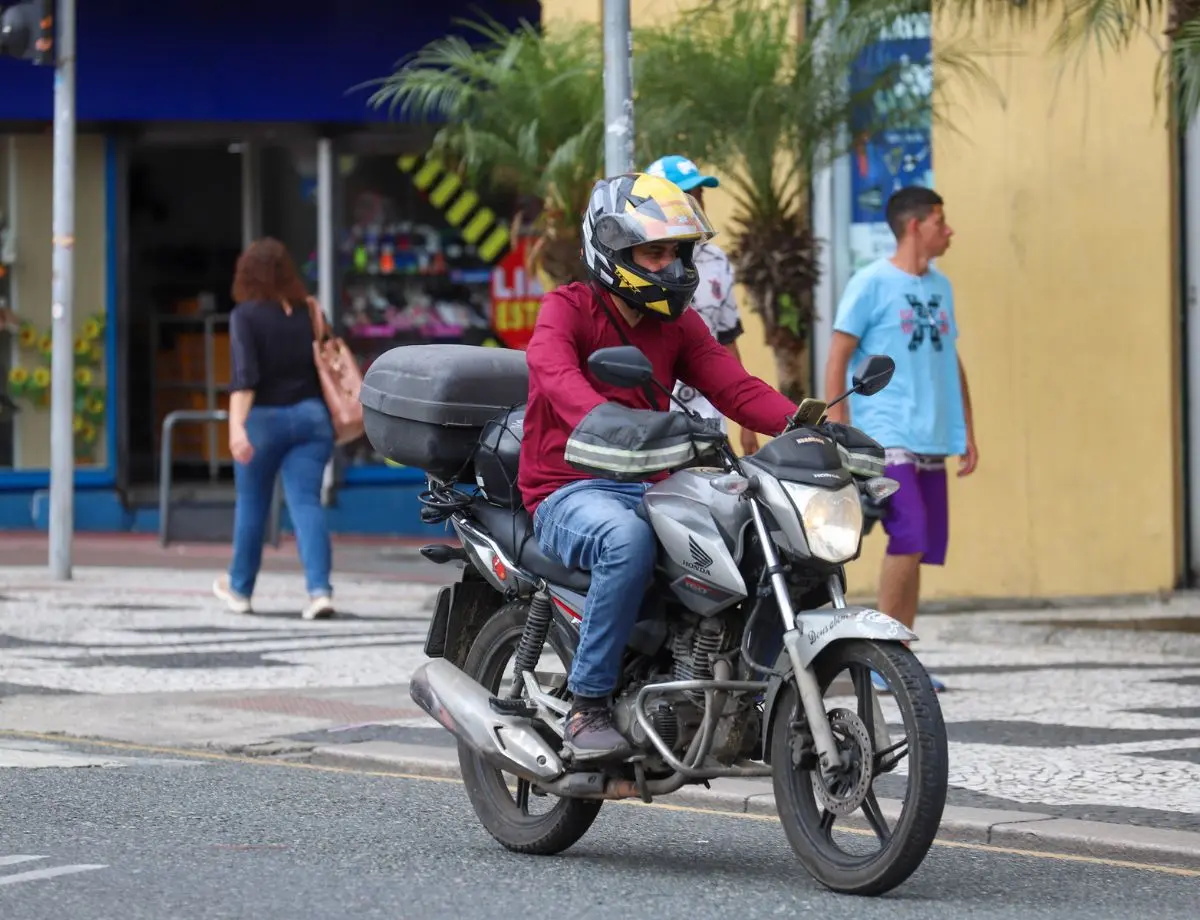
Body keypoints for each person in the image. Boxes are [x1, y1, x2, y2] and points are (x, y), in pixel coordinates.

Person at [519, 172, 799, 760]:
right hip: (567, 489)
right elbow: (556, 376)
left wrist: (810, 425)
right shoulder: (566, 309)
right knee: (625, 539)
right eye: (655, 252)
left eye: (677, 252)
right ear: (615, 252)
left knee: (760, 535)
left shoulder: (679, 323)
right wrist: (605, 420)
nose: (671, 266)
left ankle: (742, 690)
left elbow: (738, 389)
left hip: (653, 484)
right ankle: (587, 704)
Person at [822, 187, 978, 693]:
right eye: (941, 220)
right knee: (907, 535)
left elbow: (949, 358)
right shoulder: (870, 283)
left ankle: (902, 656)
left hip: (933, 432)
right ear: (915, 225)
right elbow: (838, 355)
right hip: (887, 435)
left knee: (924, 545)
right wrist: (839, 426)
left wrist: (968, 430)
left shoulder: (942, 287)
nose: (948, 230)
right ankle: (882, 658)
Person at [212, 237, 337, 620]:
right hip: (313, 418)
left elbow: (244, 379)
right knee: (306, 503)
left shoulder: (245, 316)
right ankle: (319, 592)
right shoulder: (309, 310)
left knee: (252, 504)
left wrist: (236, 428)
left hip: (263, 420)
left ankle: (240, 589)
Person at [644, 154, 761, 457]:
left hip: (708, 418)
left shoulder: (718, 261)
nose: (695, 204)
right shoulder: (637, 263)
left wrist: (746, 421)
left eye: (698, 195)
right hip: (654, 419)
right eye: (685, 196)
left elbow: (727, 341)